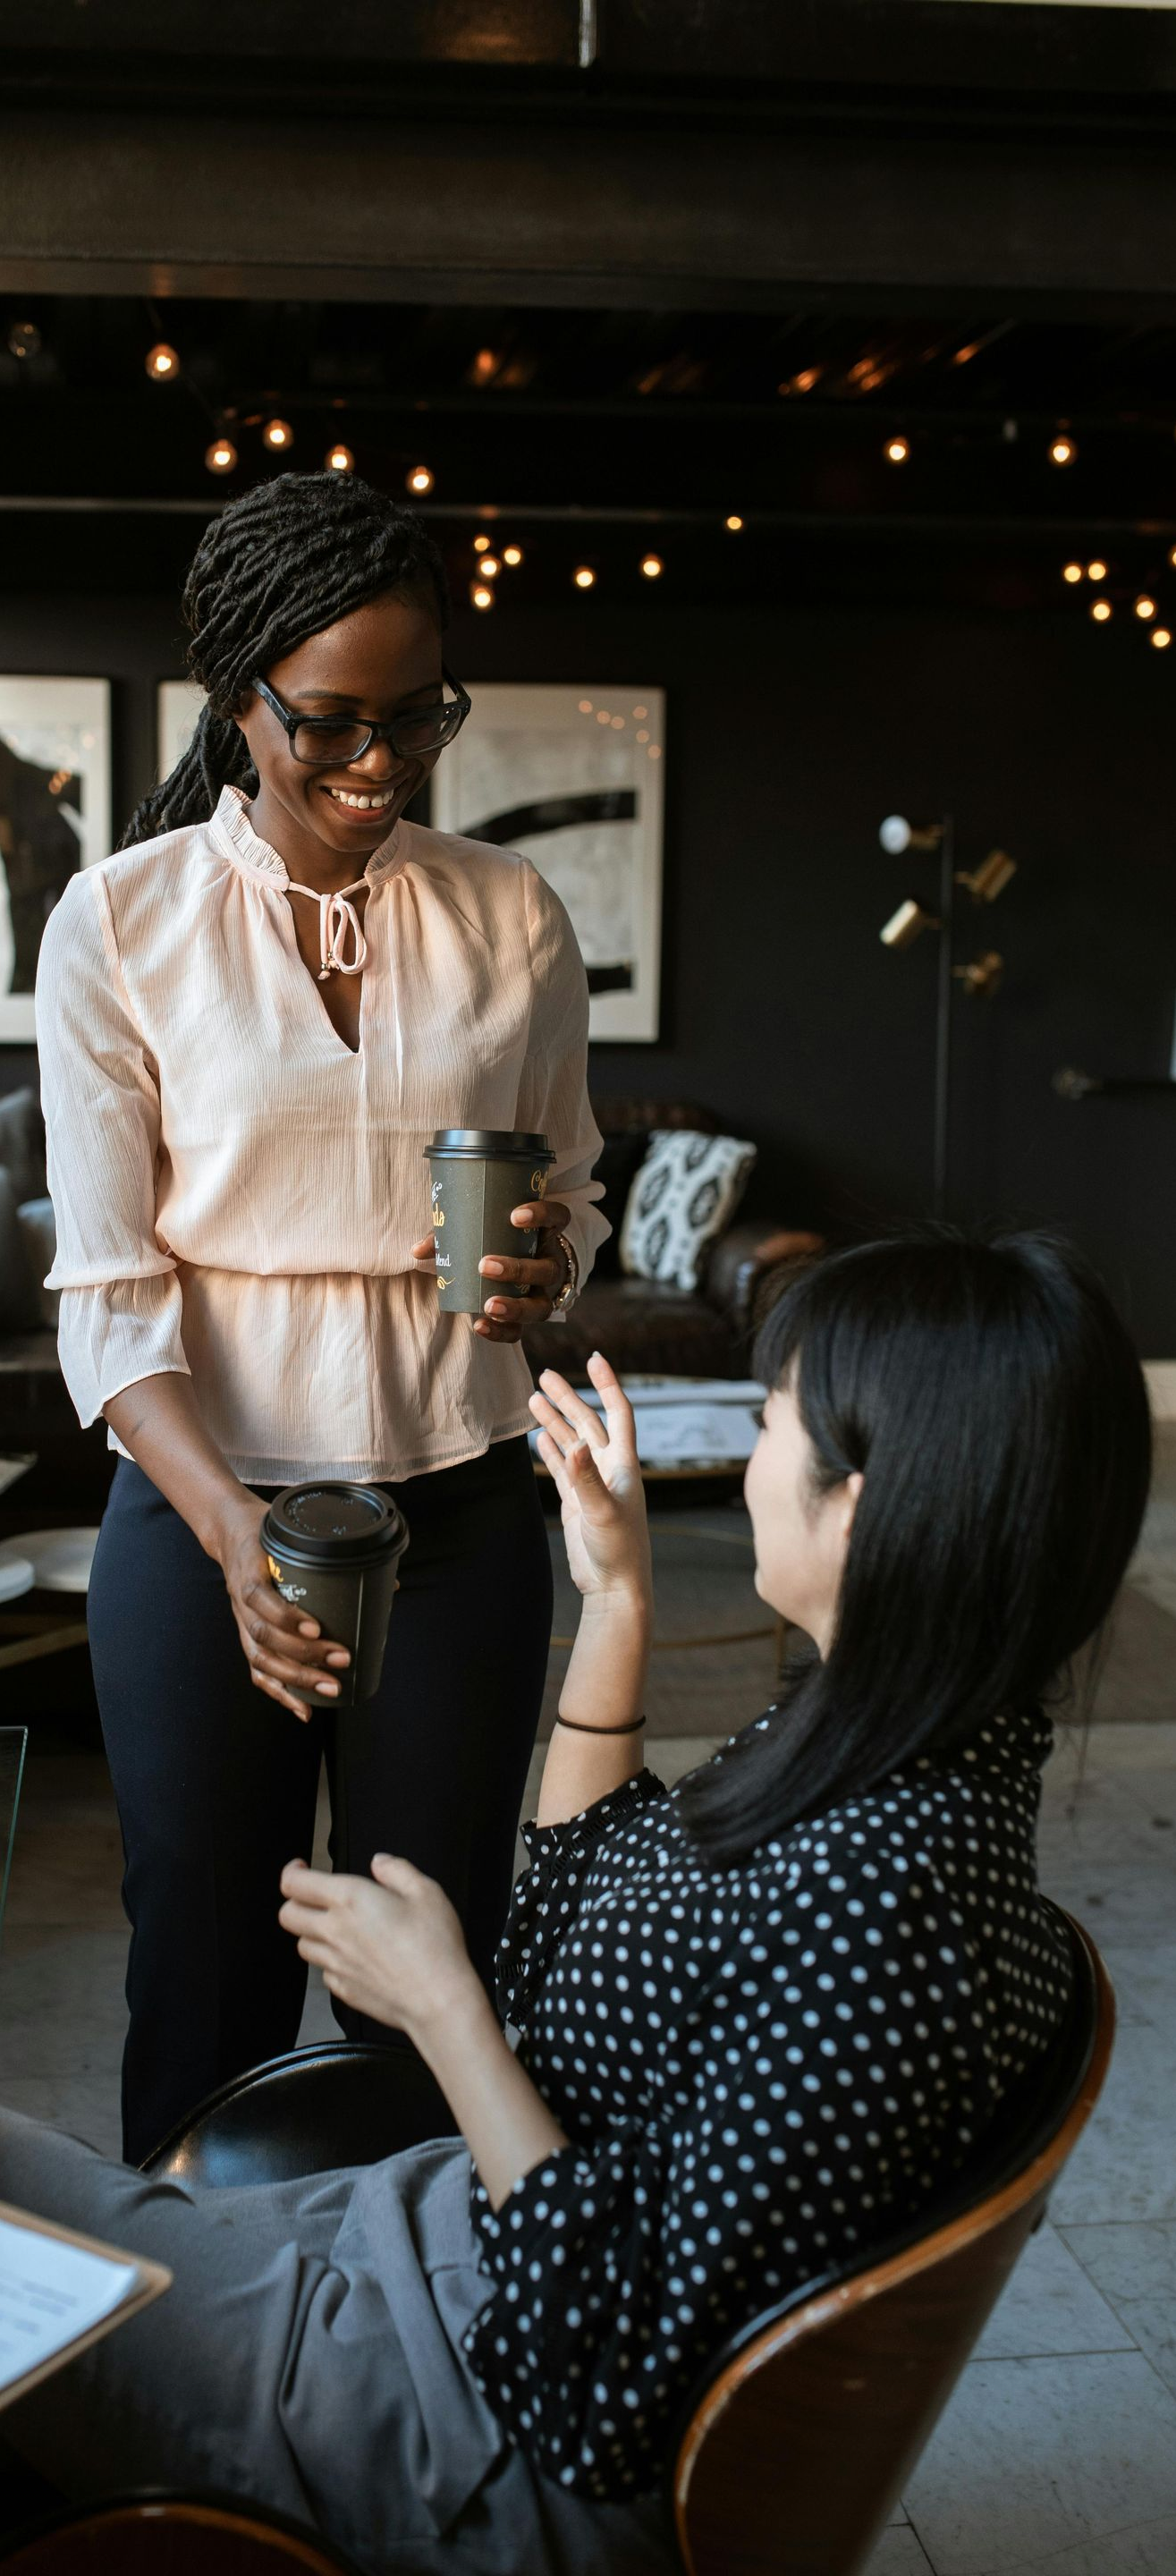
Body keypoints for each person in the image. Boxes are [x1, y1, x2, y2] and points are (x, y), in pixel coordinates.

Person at [1, 1231, 1152, 2573]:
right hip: (435, 2249)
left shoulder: (878, 1909)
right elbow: (577, 1936)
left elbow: (600, 2387)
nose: (743, 1451)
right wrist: (616, 1594)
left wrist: (444, 2013)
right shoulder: (897, 1759)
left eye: (769, 1421)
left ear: (869, 1502)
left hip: (449, 2416)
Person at [34, 470, 606, 2164]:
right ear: (237, 699)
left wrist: (543, 1269)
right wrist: (232, 1538)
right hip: (214, 1514)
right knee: (201, 1964)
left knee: (428, 1971)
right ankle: (173, 2363)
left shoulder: (510, 913)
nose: (374, 768)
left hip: (460, 1515)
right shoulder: (122, 923)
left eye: (413, 721)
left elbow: (565, 1184)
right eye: (328, 725)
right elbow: (111, 1290)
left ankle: (413, 2353)